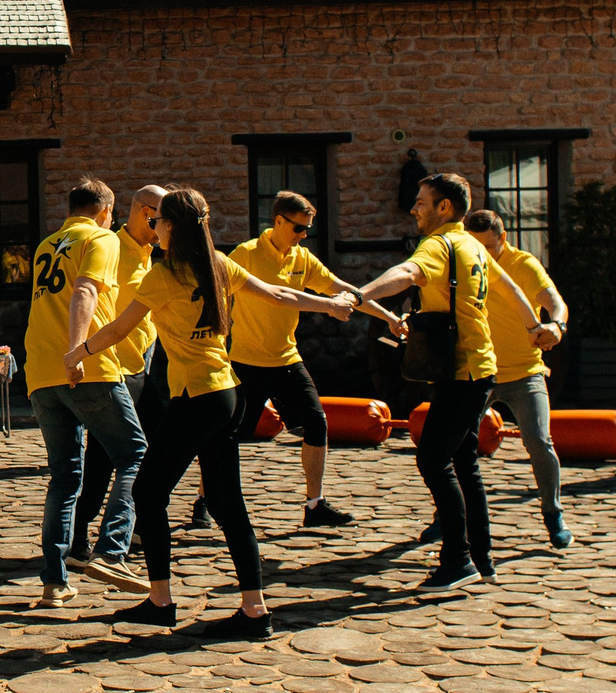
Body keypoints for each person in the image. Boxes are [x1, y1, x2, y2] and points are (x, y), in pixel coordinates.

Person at [73, 187, 357, 638]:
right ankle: (254, 611)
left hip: (198, 400)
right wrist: (330, 304)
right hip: (227, 395)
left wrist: (77, 354)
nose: (154, 228)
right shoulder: (220, 264)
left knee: (147, 494)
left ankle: (161, 601)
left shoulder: (164, 276)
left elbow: (119, 328)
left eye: (158, 222)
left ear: (170, 226)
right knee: (229, 505)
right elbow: (279, 295)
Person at [357, 173, 548, 592]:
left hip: (462, 371)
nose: (414, 209)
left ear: (444, 208)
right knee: (464, 463)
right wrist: (535, 324)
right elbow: (512, 288)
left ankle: (458, 559)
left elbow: (406, 272)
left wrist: (359, 295)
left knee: (432, 459)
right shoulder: (472, 246)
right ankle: (482, 558)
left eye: (422, 203)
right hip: (477, 368)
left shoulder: (439, 244)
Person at [23, 177, 150, 605]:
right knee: (134, 452)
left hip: (39, 373)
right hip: (86, 369)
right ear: (105, 212)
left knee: (64, 476)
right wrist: (76, 351)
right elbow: (86, 289)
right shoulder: (102, 238)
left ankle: (54, 581)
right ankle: (112, 551)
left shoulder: (45, 245)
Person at [226, 190, 360, 529]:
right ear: (278, 221)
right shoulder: (246, 253)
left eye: (308, 230)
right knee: (228, 436)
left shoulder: (302, 258)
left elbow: (338, 287)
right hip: (245, 361)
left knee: (317, 424)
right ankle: (205, 498)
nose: (303, 235)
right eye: (298, 228)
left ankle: (314, 505)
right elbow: (222, 298)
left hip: (286, 359)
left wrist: (382, 311)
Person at [466, 208, 573, 550]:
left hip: (525, 371)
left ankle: (553, 514)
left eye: (489, 247)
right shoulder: (463, 262)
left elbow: (554, 300)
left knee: (539, 443)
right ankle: (449, 518)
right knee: (454, 447)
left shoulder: (523, 264)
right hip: (476, 371)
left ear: (504, 240)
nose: (483, 254)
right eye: (475, 246)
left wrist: (557, 325)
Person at [71, 185, 163, 567]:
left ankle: (139, 526)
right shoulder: (111, 246)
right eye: (160, 217)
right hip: (115, 368)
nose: (164, 226)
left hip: (147, 363)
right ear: (143, 212)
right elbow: (88, 295)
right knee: (103, 460)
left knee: (152, 452)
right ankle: (80, 537)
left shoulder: (150, 253)